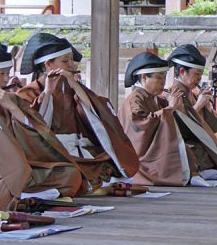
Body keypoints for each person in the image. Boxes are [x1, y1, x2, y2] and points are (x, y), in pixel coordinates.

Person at [15, 33, 139, 187]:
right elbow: (33, 129)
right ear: (48, 65)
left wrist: (75, 86)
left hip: (81, 149)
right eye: (66, 61)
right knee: (72, 175)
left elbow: (96, 110)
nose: (72, 65)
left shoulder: (71, 87)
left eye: (71, 61)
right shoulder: (27, 93)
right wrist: (47, 94)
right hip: (52, 153)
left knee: (111, 169)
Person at [0, 35, 88, 216]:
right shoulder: (27, 92)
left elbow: (36, 131)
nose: (6, 79)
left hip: (23, 162)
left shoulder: (10, 98)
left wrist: (11, 107)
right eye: (1, 74)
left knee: (69, 174)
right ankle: (17, 193)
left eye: (8, 73)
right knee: (13, 173)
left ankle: (20, 193)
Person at [119, 52, 217, 186]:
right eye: (159, 78)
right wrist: (170, 109)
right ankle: (191, 174)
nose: (163, 82)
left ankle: (194, 172)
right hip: (145, 155)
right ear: (144, 77)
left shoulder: (155, 97)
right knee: (181, 150)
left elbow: (171, 119)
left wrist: (174, 109)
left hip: (158, 147)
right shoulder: (135, 99)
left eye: (164, 78)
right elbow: (141, 127)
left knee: (199, 148)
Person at [166, 44, 217, 168]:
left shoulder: (191, 92)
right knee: (213, 145)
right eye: (196, 74)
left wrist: (208, 111)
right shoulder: (175, 93)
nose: (199, 79)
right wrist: (199, 105)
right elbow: (180, 126)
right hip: (192, 141)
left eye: (200, 75)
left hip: (205, 138)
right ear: (182, 72)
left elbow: (208, 123)